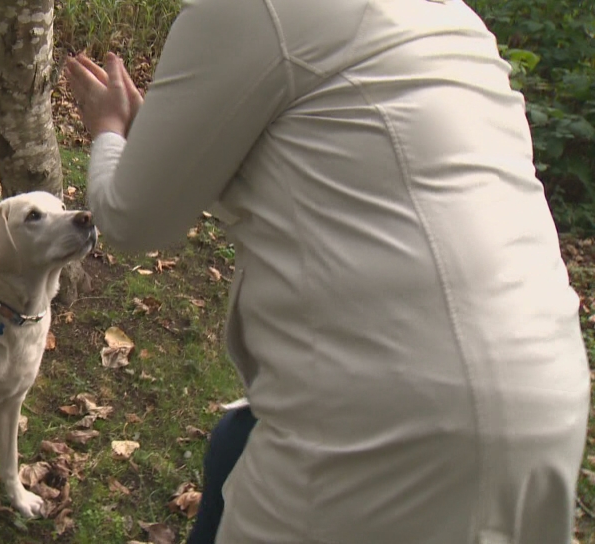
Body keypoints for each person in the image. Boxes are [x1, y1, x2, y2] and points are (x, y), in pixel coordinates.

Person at [65, 1, 591, 543]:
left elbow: (129, 220)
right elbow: (337, 155)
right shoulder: (447, 16)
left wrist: (109, 128)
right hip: (545, 395)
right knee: (231, 444)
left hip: (395, 414)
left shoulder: (253, 11)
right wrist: (159, 134)